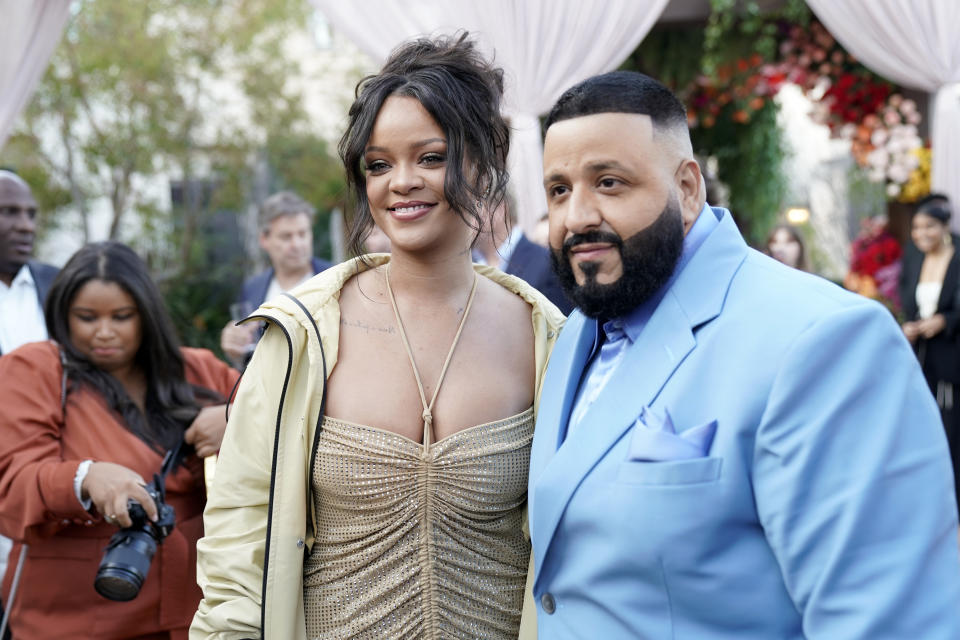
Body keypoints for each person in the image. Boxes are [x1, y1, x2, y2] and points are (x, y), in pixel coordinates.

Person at [527, 71, 960, 639]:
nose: (576, 216)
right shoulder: (572, 337)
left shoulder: (826, 340)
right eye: (559, 190)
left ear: (687, 189)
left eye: (609, 182)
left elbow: (889, 622)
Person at [191, 33, 564, 639]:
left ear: (483, 161)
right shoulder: (304, 334)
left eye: (432, 157)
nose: (402, 182)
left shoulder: (546, 337)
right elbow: (238, 540)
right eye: (379, 164)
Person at [0, 241, 239, 640]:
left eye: (122, 317)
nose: (105, 332)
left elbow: (299, 419)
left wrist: (238, 419)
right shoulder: (36, 369)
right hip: (77, 616)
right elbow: (13, 480)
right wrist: (84, 478)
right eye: (87, 318)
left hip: (197, 610)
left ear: (146, 315)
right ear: (63, 315)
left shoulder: (197, 370)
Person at [220, 191, 331, 367]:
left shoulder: (335, 279)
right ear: (264, 239)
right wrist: (235, 349)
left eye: (302, 234)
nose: (297, 244)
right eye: (286, 237)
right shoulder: (252, 290)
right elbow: (250, 359)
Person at [899, 194, 960, 507]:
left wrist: (945, 320)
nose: (922, 234)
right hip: (921, 356)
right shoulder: (913, 255)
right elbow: (906, 293)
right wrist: (910, 325)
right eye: (917, 227)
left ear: (945, 226)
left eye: (929, 227)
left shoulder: (958, 254)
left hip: (952, 356)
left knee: (951, 431)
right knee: (922, 426)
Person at [475, 188, 573, 314]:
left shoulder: (548, 265)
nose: (461, 216)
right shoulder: (466, 269)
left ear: (498, 210)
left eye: (473, 206)